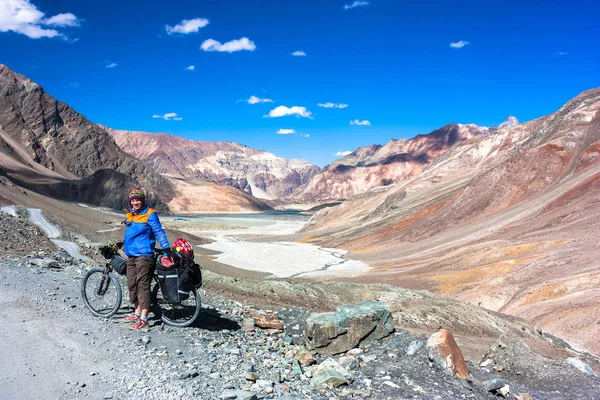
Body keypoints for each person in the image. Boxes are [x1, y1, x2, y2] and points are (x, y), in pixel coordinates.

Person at [122, 188, 173, 329]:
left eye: (138, 200)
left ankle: (144, 318)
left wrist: (166, 248)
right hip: (131, 255)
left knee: (142, 286)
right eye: (133, 200)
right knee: (132, 285)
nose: (135, 202)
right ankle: (137, 313)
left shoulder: (150, 214)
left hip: (144, 256)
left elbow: (159, 232)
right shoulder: (130, 215)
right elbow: (129, 233)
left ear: (142, 201)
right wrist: (123, 244)